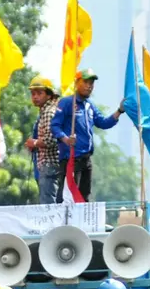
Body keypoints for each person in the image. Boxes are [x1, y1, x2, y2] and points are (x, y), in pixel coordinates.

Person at [50, 68, 123, 202]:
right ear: (77, 83)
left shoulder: (90, 106)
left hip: (86, 159)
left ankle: (82, 223)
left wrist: (119, 111)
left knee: (84, 196)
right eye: (86, 82)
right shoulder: (66, 103)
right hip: (71, 159)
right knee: (68, 196)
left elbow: (103, 123)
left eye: (91, 83)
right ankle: (64, 223)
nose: (89, 86)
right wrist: (65, 139)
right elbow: (54, 126)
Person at [25, 76, 61, 204]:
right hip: (47, 166)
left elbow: (51, 140)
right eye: (33, 93)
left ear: (49, 95)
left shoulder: (48, 112)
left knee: (48, 205)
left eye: (39, 93)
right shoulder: (45, 111)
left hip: (49, 165)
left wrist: (34, 143)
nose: (35, 96)